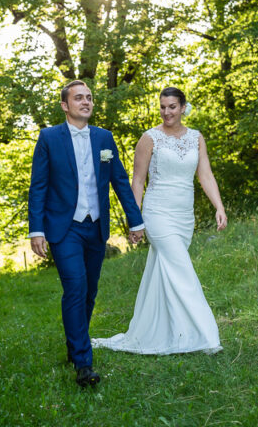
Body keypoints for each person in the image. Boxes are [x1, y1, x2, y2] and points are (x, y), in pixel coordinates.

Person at [28, 80, 145, 387]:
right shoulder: (49, 138)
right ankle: (83, 363)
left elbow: (120, 180)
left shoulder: (104, 138)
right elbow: (38, 185)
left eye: (89, 98)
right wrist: (36, 230)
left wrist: (136, 221)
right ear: (65, 106)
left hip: (95, 226)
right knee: (76, 287)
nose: (86, 102)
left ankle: (74, 344)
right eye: (78, 98)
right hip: (63, 228)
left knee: (90, 291)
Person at [92, 87, 226, 355]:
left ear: (183, 107)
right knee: (183, 270)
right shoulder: (149, 138)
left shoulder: (197, 138)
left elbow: (206, 175)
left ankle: (161, 331)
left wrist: (219, 207)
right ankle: (207, 336)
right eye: (163, 107)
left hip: (184, 216)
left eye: (173, 106)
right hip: (157, 213)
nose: (167, 112)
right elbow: (138, 181)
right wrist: (135, 220)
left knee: (165, 271)